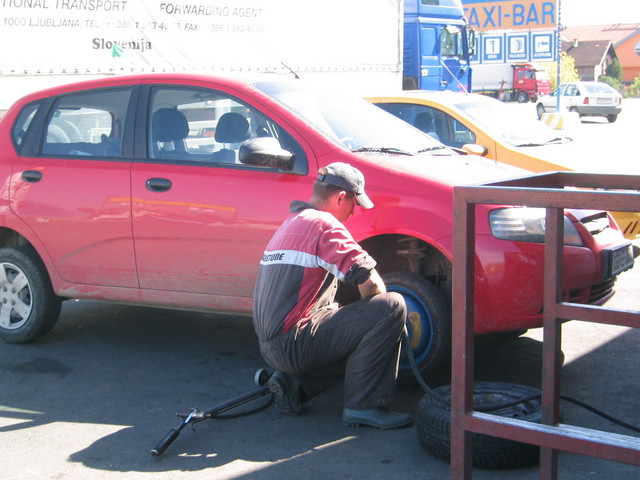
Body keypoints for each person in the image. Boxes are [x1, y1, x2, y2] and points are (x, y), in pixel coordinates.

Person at [252, 162, 412, 429]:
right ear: (340, 197)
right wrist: (387, 329)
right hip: (293, 344)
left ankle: (294, 384)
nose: (353, 212)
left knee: (342, 314)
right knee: (391, 306)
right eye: (353, 203)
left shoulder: (293, 221)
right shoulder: (325, 225)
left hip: (272, 345)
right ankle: (365, 405)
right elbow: (370, 282)